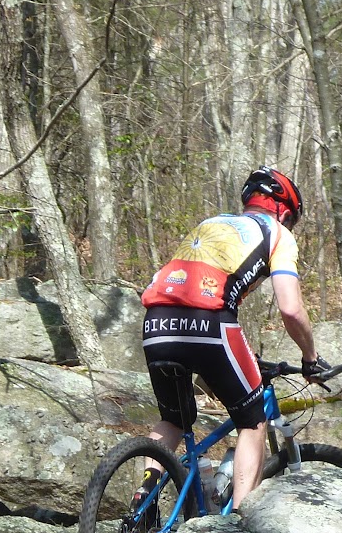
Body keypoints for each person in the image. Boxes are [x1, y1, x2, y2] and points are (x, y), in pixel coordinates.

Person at [137, 166, 332, 509]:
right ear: (284, 212)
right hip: (210, 322)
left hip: (156, 322)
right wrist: (310, 357)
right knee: (252, 420)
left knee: (173, 420)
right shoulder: (278, 234)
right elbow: (291, 309)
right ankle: (240, 525)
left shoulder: (210, 224)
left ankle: (140, 505)